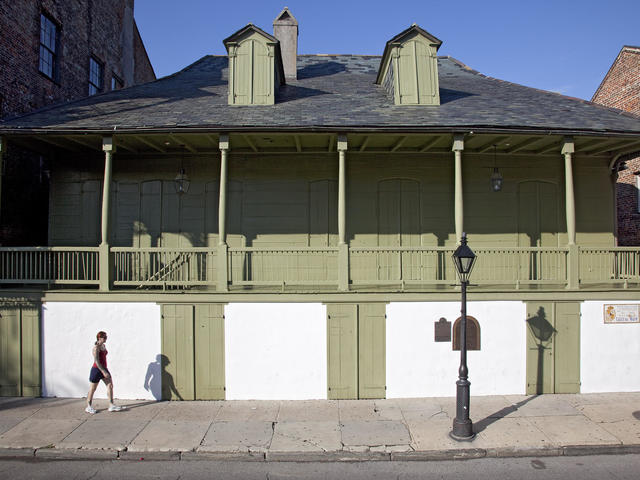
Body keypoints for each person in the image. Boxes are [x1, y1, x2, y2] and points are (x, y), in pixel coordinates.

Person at [85, 331, 124, 414]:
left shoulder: (103, 346)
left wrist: (105, 370)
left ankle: (111, 405)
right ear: (99, 338)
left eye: (106, 337)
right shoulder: (96, 348)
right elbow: (97, 361)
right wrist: (103, 371)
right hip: (96, 370)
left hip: (104, 368)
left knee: (110, 385)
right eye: (104, 337)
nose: (106, 338)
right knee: (93, 389)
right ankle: (88, 406)